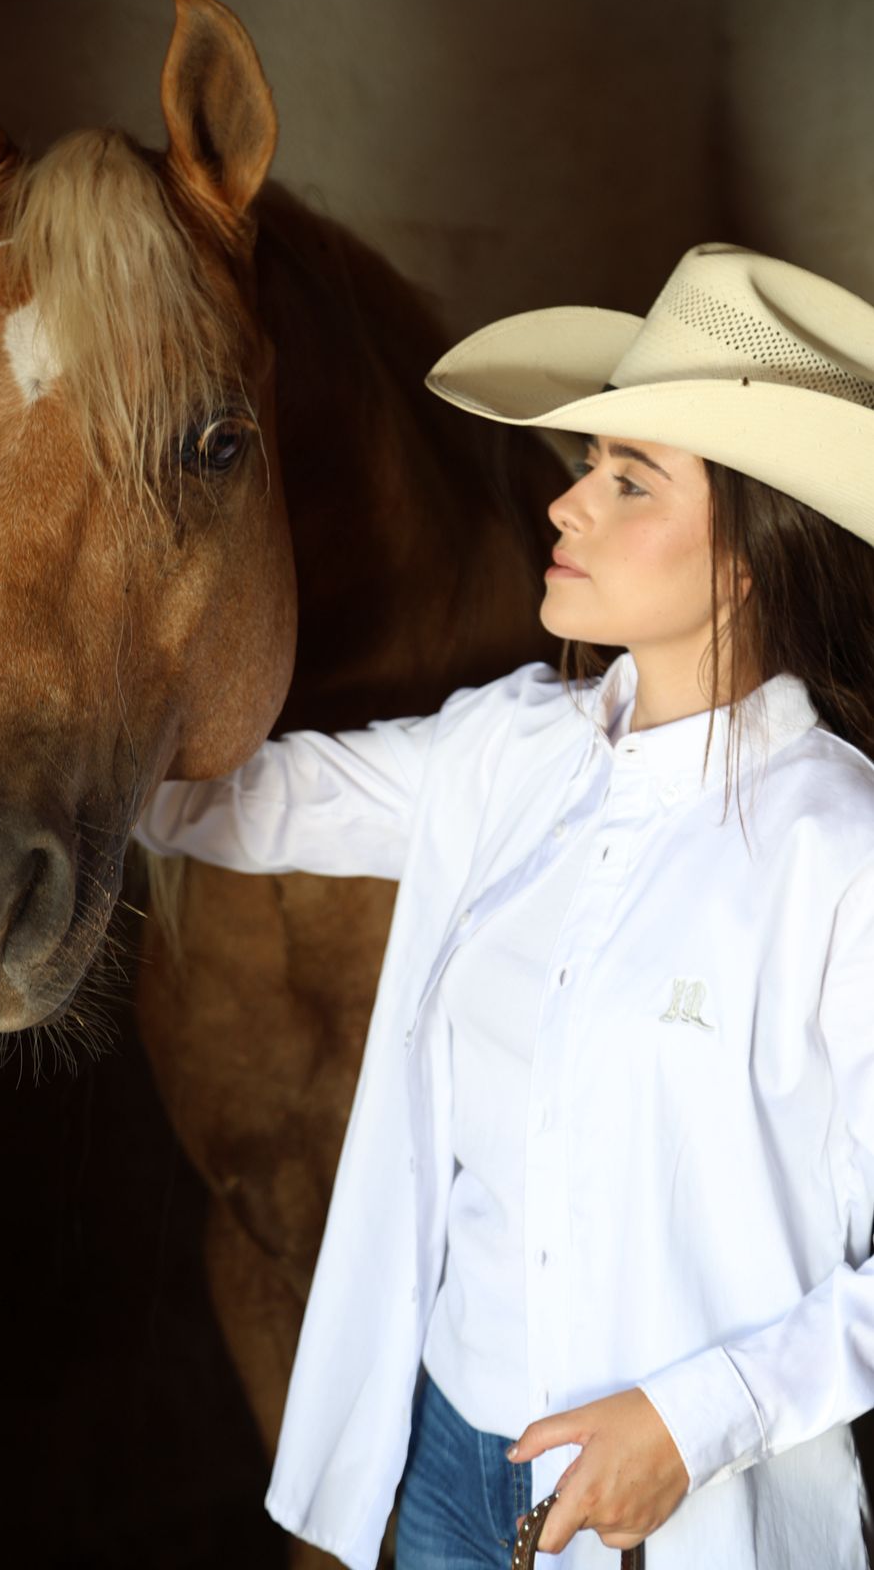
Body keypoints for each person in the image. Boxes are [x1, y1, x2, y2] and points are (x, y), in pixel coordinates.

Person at [136, 242, 874, 1568]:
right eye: (584, 464)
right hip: (440, 1457)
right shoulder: (509, 752)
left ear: (751, 555)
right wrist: (34, 745)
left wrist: (692, 1419)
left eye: (627, 479)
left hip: (665, 1512)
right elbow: (242, 803)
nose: (566, 506)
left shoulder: (838, 855)